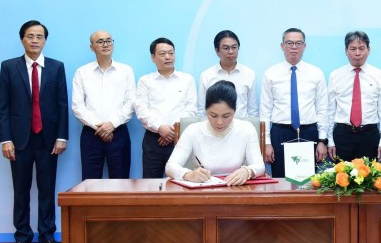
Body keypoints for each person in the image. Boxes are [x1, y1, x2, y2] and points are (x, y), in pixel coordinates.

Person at [0, 20, 68, 243]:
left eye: (39, 36)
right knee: (21, 190)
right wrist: (5, 139)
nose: (35, 40)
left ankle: (47, 235)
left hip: (48, 139)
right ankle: (22, 237)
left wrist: (62, 136)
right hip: (19, 140)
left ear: (45, 40)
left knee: (47, 189)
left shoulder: (56, 67)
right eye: (30, 36)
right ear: (22, 39)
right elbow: (4, 107)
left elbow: (62, 104)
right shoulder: (9, 67)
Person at [166, 80, 265, 185]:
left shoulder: (246, 129)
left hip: (236, 188)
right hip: (203, 189)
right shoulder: (193, 130)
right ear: (206, 110)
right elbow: (170, 167)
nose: (219, 122)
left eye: (226, 116)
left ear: (235, 111)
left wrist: (247, 171)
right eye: (213, 115)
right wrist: (189, 175)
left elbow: (259, 166)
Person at [260, 28, 328, 178]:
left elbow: (323, 109)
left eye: (298, 43)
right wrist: (266, 142)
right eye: (289, 43)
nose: (294, 47)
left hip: (308, 132)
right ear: (282, 46)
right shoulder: (271, 74)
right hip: (280, 132)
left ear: (304, 46)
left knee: (307, 182)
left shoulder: (316, 73)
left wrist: (322, 140)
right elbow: (265, 110)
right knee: (280, 181)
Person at [71, 30, 135, 179]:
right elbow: (77, 106)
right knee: (90, 184)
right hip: (91, 135)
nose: (105, 44)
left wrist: (112, 124)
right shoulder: (82, 72)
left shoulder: (126, 71)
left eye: (108, 40)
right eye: (100, 42)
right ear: (91, 47)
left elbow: (130, 103)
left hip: (119, 133)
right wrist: (99, 128)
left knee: (121, 183)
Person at [134, 37, 197, 178]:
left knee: (182, 182)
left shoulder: (187, 79)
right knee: (150, 183)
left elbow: (191, 108)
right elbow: (141, 110)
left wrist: (173, 131)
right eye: (162, 54)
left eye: (171, 53)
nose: (168, 57)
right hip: (153, 140)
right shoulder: (145, 81)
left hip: (181, 140)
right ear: (153, 57)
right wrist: (160, 128)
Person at [326, 31, 381, 162]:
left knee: (369, 174)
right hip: (342, 135)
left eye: (361, 48)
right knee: (341, 174)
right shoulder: (336, 75)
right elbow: (330, 111)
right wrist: (330, 141)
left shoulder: (378, 75)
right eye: (353, 49)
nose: (357, 53)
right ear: (346, 51)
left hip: (369, 135)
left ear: (368, 50)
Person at [197, 30, 258, 118]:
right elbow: (202, 110)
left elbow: (253, 110)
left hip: (241, 125)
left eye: (234, 47)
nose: (231, 52)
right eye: (226, 48)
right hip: (215, 125)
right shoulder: (206, 75)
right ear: (217, 51)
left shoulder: (249, 74)